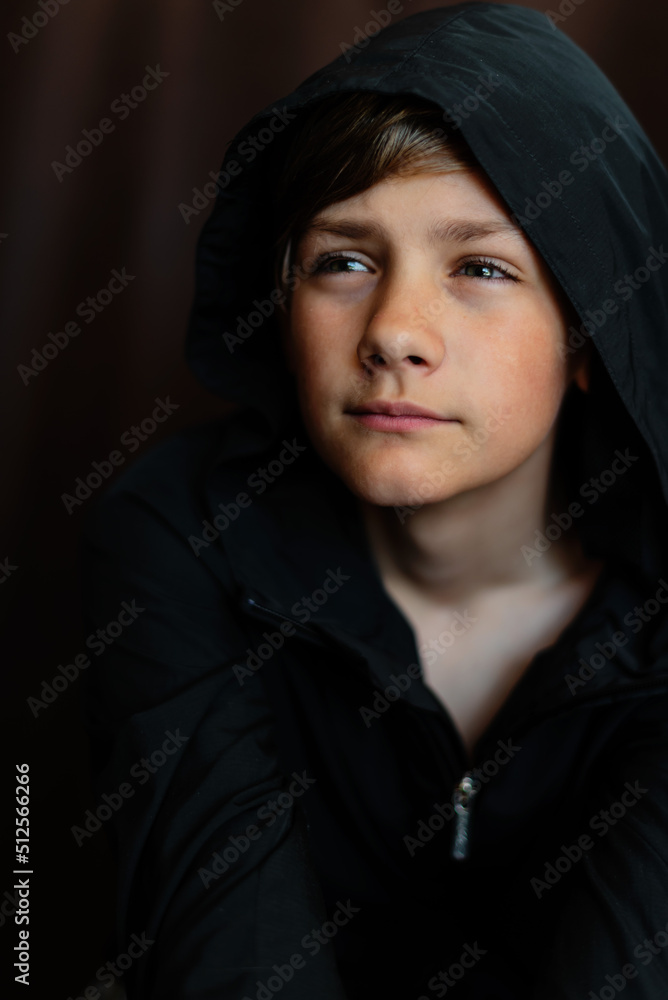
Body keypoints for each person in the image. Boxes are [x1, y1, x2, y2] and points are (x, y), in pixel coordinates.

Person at [80, 3, 668, 997]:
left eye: (480, 267)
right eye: (343, 260)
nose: (394, 329)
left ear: (586, 334)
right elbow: (228, 965)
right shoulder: (177, 536)